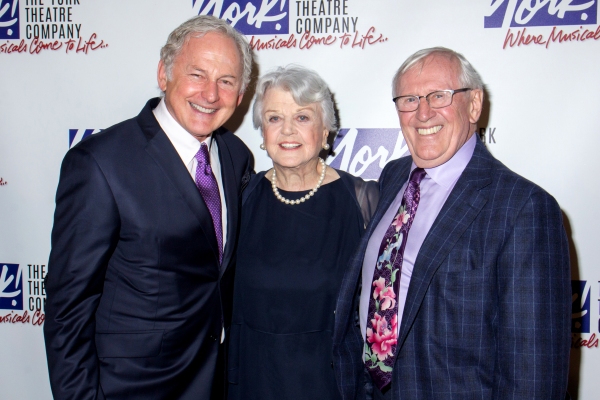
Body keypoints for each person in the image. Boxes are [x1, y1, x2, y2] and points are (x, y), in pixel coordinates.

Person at [332, 47, 571, 399]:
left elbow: (533, 371)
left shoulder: (524, 208)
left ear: (474, 104)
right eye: (409, 99)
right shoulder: (394, 177)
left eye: (439, 96)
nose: (422, 112)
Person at [44, 16, 253, 400]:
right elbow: (67, 307)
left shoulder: (236, 157)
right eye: (197, 74)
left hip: (213, 383)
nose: (210, 94)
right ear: (164, 73)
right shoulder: (100, 162)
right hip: (129, 388)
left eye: (226, 81)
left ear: (240, 95)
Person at [226, 65, 379, 400]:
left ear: (325, 130)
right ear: (263, 133)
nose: (287, 131)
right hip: (252, 380)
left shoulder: (364, 201)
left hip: (329, 384)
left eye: (303, 117)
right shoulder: (239, 199)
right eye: (274, 118)